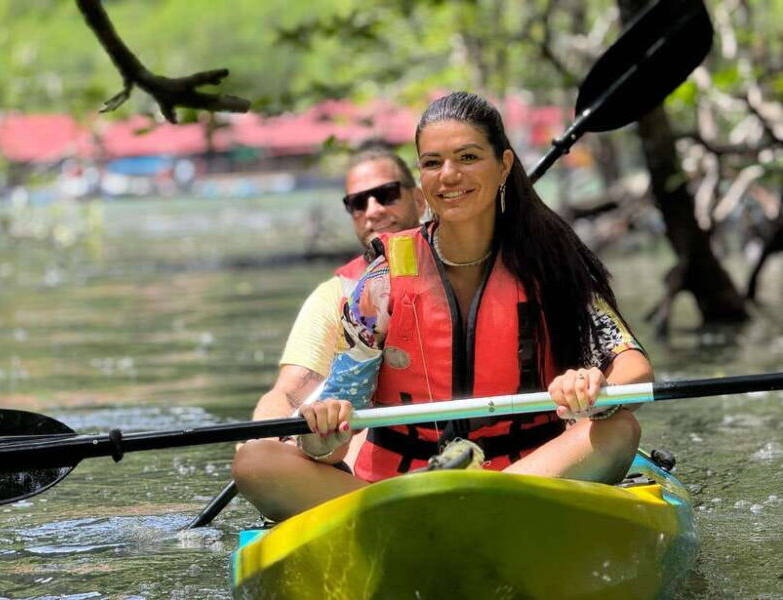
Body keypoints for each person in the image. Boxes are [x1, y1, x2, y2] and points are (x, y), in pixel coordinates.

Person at [233, 92, 652, 521]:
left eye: (467, 157)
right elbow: (336, 436)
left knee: (619, 428)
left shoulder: (551, 262)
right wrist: (320, 435)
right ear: (421, 176)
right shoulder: (382, 279)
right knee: (255, 462)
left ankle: (463, 511)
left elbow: (633, 368)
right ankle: (441, 515)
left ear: (504, 165)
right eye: (433, 163)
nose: (449, 176)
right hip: (397, 490)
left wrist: (593, 391)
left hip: (527, 479)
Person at [250, 147, 425, 436]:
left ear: (418, 200)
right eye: (358, 203)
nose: (373, 211)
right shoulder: (334, 295)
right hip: (375, 449)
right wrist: (260, 443)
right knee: (256, 459)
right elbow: (289, 394)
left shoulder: (461, 266)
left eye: (387, 194)